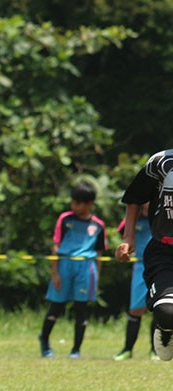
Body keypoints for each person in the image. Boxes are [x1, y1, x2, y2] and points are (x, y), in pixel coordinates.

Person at [115, 149, 173, 360]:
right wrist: (128, 237)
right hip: (164, 251)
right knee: (166, 311)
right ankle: (166, 330)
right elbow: (136, 197)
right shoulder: (161, 162)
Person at [38, 181, 106, 359]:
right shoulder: (65, 219)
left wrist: (96, 277)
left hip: (86, 267)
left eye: (78, 203)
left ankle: (76, 349)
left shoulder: (98, 225)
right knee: (56, 306)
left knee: (81, 308)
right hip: (65, 264)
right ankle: (44, 340)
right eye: (73, 201)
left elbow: (99, 254)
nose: (73, 206)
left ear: (89, 203)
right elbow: (56, 246)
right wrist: (55, 273)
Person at [114, 203, 155, 360]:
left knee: (160, 309)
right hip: (140, 266)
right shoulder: (134, 218)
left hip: (162, 266)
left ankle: (155, 351)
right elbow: (122, 230)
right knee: (135, 309)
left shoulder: (161, 215)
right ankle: (127, 349)